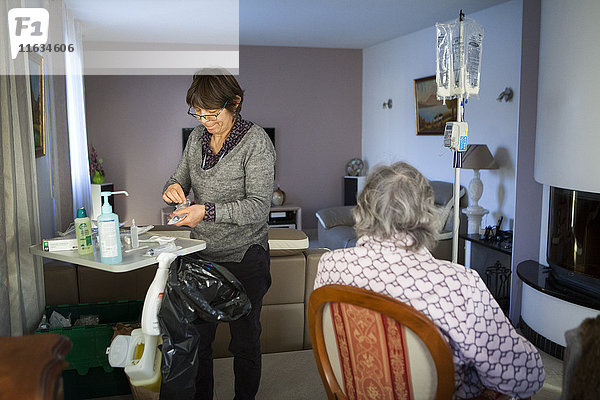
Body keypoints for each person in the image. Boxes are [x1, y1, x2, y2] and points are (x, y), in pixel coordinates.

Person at [313, 161, 545, 399]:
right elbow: (524, 377)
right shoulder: (460, 284)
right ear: (426, 215)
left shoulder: (329, 265)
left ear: (362, 208)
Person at [162, 71, 275, 400]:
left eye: (212, 114)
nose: (205, 120)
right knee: (198, 341)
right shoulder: (196, 137)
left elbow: (257, 207)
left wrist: (204, 211)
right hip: (200, 255)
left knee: (245, 342)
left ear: (235, 103)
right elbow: (179, 178)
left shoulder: (256, 144)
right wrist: (173, 188)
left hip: (245, 257)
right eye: (198, 113)